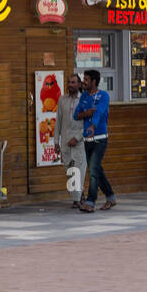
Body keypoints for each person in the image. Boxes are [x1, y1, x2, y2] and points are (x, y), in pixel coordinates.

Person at [74, 69, 115, 212]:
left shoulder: (104, 96)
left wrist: (92, 125)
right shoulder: (84, 96)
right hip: (87, 139)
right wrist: (86, 113)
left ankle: (90, 202)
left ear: (94, 81)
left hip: (100, 138)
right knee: (97, 169)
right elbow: (76, 115)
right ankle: (110, 197)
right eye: (83, 79)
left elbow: (99, 112)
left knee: (92, 170)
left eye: (86, 79)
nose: (83, 82)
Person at [54, 72, 86, 208]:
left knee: (78, 169)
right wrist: (56, 141)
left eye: (73, 82)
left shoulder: (85, 100)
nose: (70, 85)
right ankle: (79, 195)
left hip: (79, 142)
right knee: (69, 169)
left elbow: (88, 124)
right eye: (69, 82)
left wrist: (77, 138)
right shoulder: (62, 100)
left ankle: (76, 200)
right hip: (66, 141)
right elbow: (58, 122)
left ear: (79, 84)